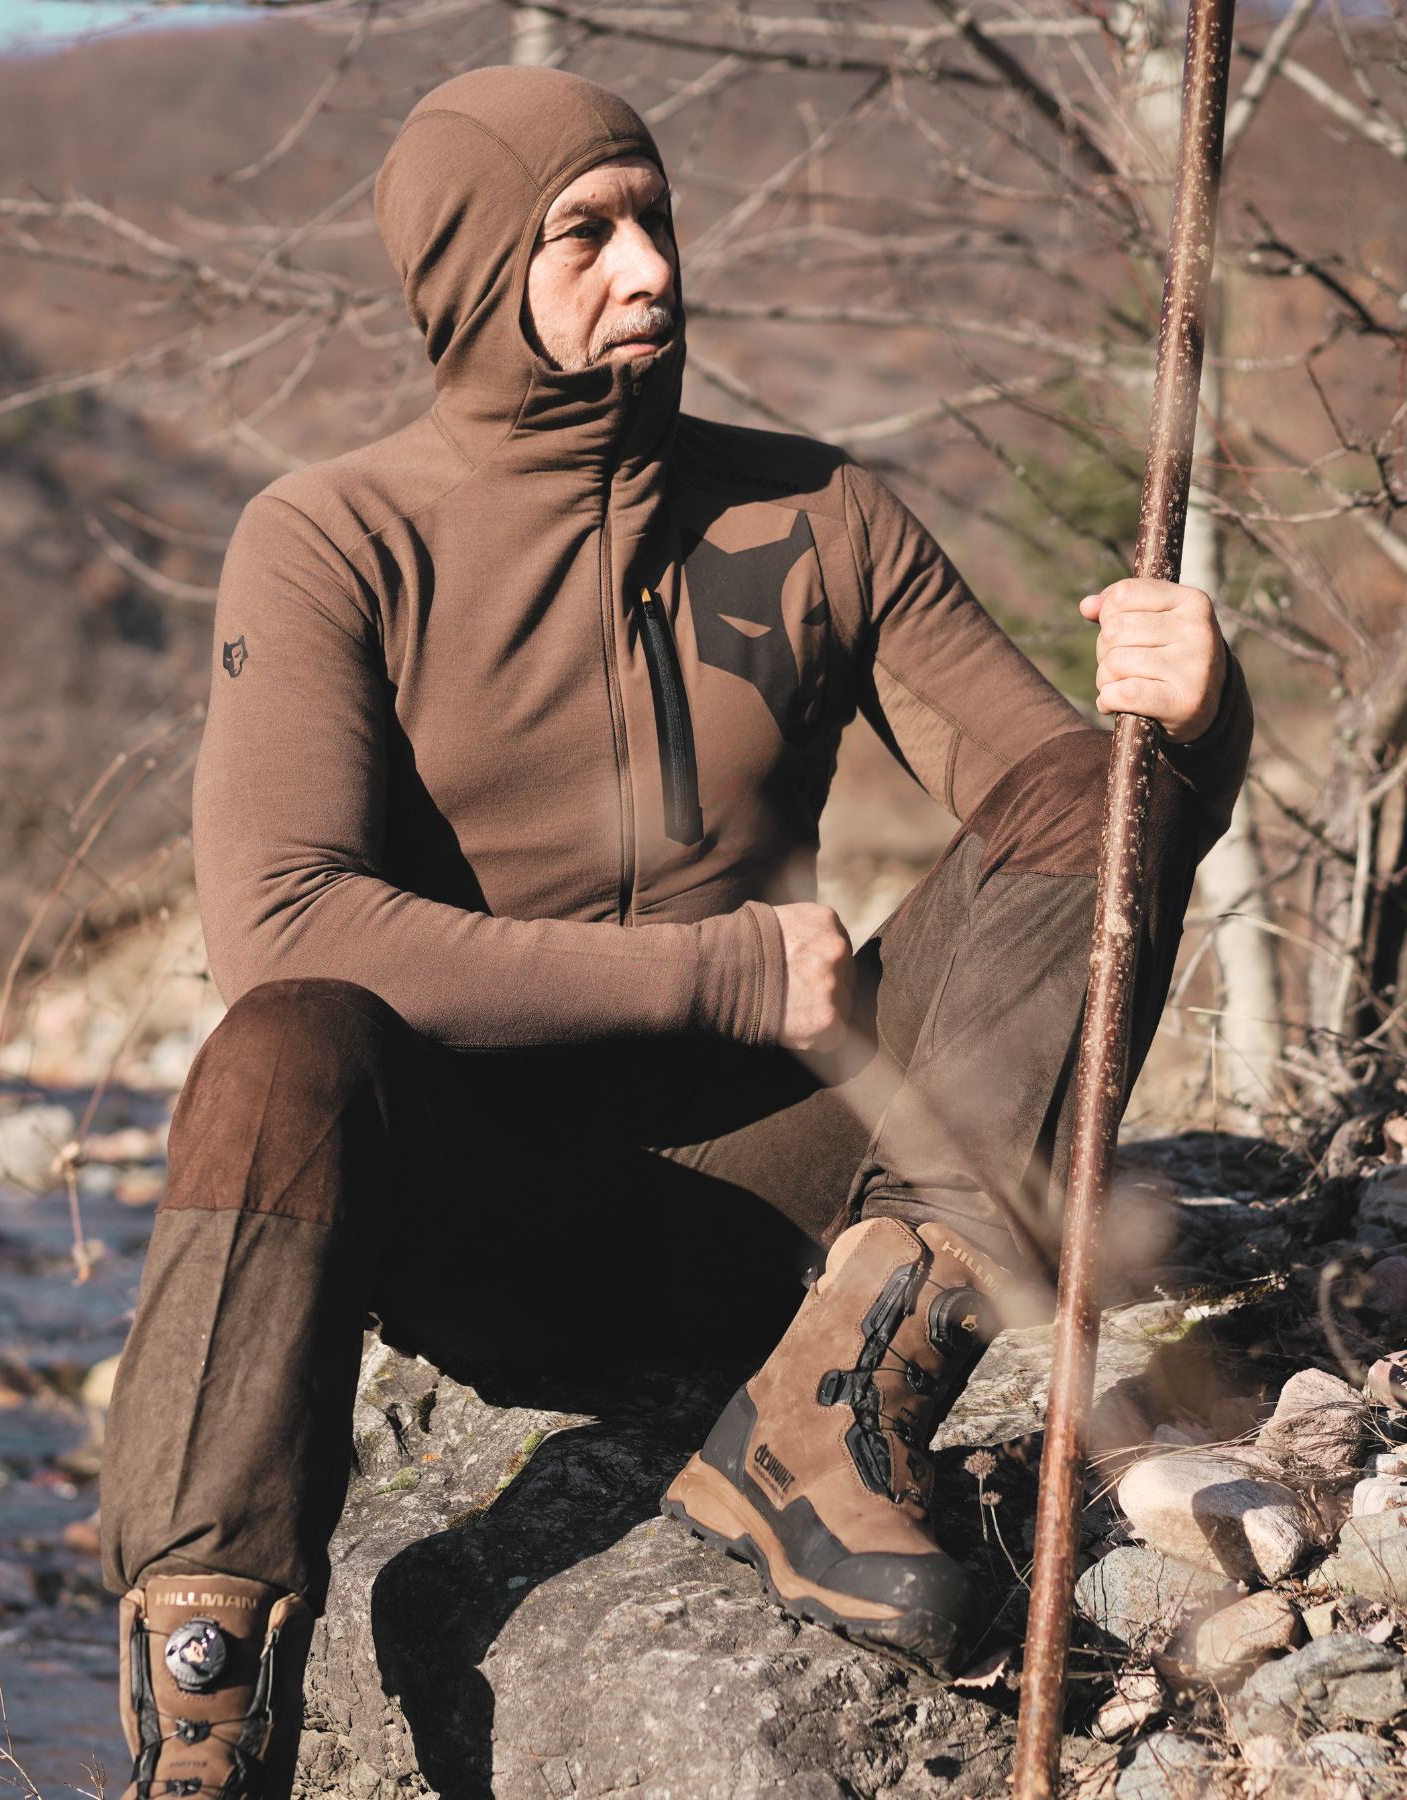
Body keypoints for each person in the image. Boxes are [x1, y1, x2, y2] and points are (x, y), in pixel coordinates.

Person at [98, 64, 1250, 1800]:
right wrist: (717, 965)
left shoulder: (819, 514)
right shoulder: (336, 540)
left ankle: (831, 1418)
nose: (649, 268)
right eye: (586, 234)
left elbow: (1070, 812)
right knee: (278, 1052)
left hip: (799, 1213)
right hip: (485, 1225)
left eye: (656, 222)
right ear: (480, 273)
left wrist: (1198, 724)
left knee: (1100, 791)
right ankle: (206, 1703)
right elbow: (283, 926)